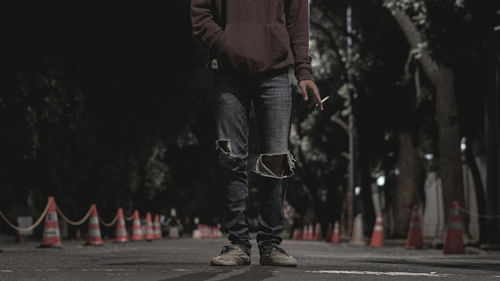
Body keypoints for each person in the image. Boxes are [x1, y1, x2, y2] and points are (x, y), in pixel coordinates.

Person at [190, 0, 323, 267]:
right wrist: (226, 43)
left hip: (274, 73)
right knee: (230, 157)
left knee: (276, 160)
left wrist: (304, 72)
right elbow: (199, 14)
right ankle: (238, 244)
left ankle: (270, 244)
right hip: (228, 71)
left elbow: (298, 21)